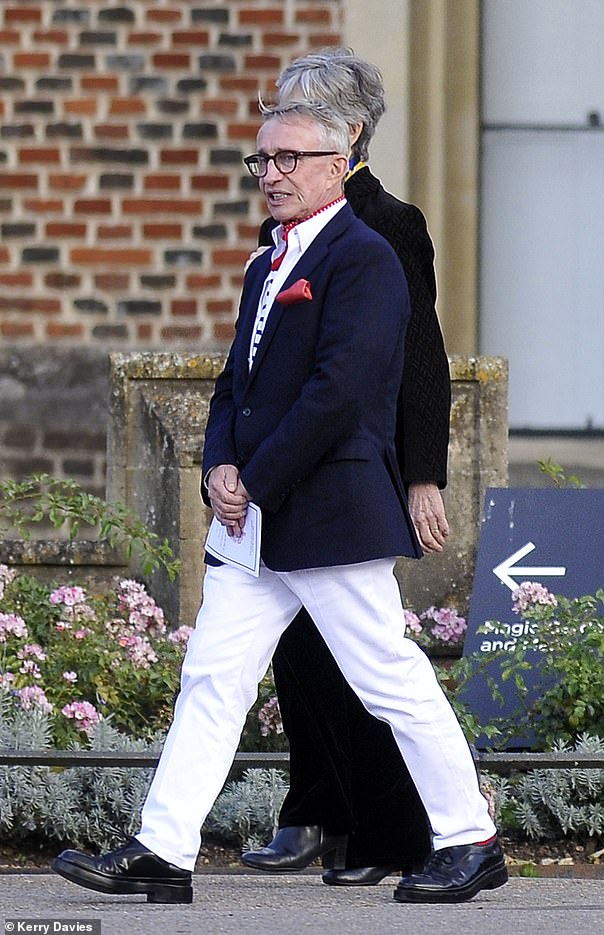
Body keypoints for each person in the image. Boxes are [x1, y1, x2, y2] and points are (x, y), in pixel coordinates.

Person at [51, 101, 506, 906]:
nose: (273, 174)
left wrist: (252, 476)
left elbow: (341, 392)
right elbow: (237, 385)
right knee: (212, 677)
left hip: (328, 514)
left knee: (388, 677)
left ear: (342, 161)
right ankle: (163, 848)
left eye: (291, 158)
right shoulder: (267, 263)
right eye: (262, 160)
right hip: (254, 521)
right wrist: (220, 462)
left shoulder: (366, 258)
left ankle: (469, 837)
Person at [241, 48, 451, 885]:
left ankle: (383, 829)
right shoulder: (284, 228)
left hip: (358, 460)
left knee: (356, 653)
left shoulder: (388, 224)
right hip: (291, 460)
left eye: (299, 125)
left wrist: (423, 472)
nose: (276, 154)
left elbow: (420, 352)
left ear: (348, 134)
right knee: (293, 646)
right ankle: (314, 808)